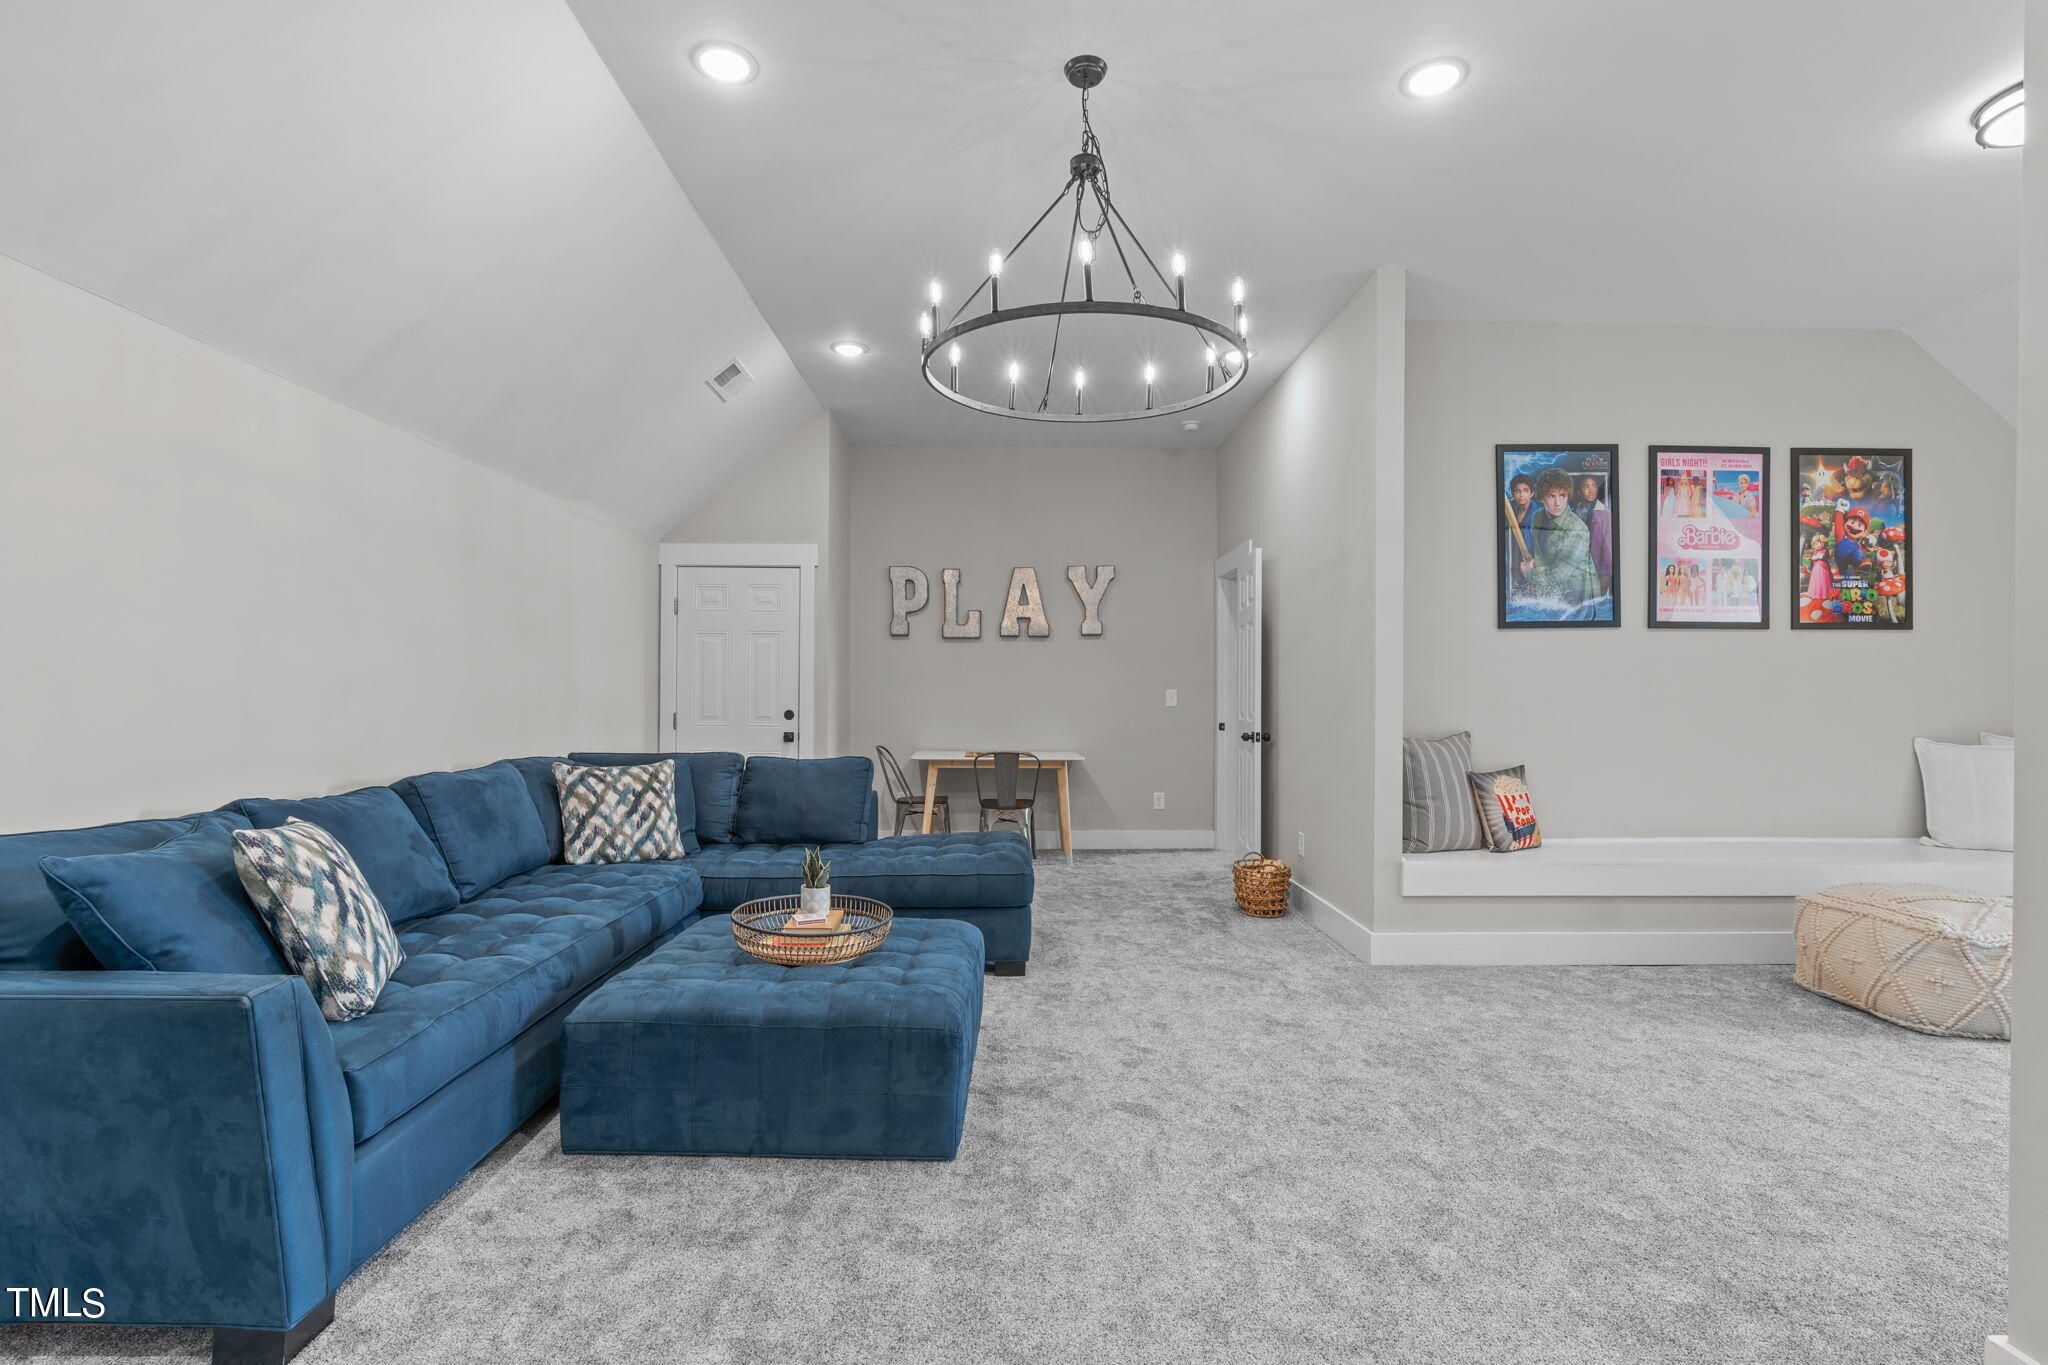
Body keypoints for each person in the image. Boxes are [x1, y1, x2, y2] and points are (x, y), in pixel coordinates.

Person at [1517, 469, 1603, 610]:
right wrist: (1535, 564)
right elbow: (1541, 555)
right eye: (1551, 496)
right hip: (1555, 592)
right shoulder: (1537, 517)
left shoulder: (1577, 529)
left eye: (1562, 496)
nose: (1558, 503)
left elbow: (1559, 575)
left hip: (1581, 596)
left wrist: (1530, 573)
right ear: (1541, 497)